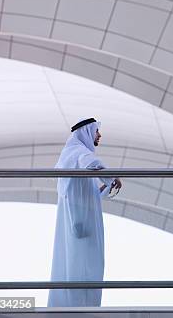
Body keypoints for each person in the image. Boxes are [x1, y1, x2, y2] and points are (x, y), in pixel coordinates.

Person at [48, 118, 122, 307]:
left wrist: (106, 184)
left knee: (77, 266)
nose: (99, 135)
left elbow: (87, 193)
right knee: (85, 267)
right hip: (83, 226)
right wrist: (112, 176)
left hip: (81, 223)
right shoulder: (78, 152)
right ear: (86, 133)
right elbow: (93, 164)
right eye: (96, 131)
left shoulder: (72, 156)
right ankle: (81, 308)